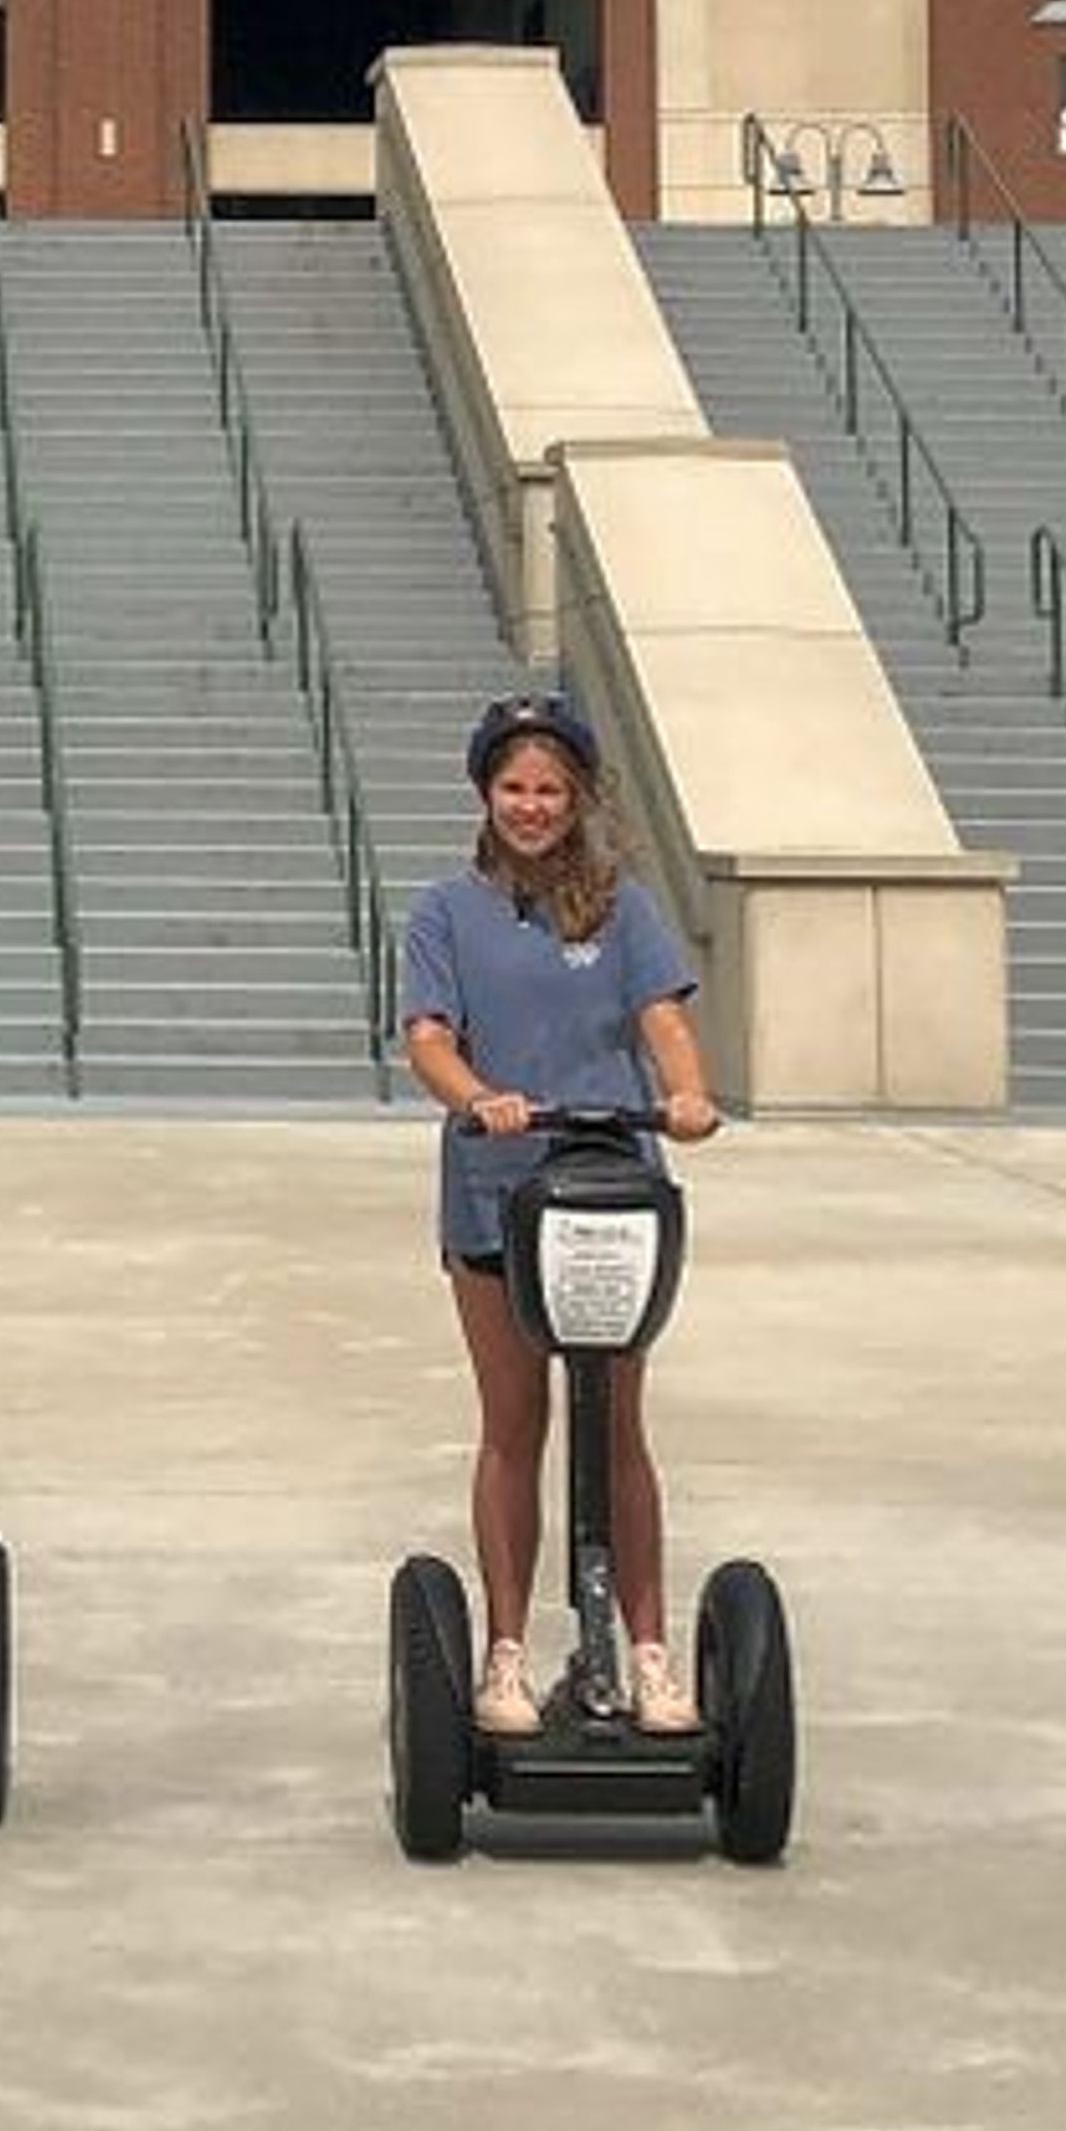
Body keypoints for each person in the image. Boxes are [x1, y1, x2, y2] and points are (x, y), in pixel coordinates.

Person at [397, 687, 722, 1741]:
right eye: (513, 787)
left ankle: (650, 1652)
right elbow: (429, 1037)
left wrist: (689, 1092)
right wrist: (475, 1097)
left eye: (549, 788)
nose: (531, 805)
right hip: (496, 1190)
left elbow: (661, 1016)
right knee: (514, 1423)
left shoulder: (621, 906)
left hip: (611, 1184)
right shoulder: (448, 908)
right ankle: (503, 1650)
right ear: (486, 796)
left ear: (577, 796)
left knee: (620, 1424)